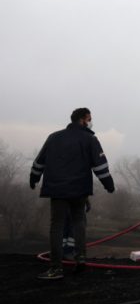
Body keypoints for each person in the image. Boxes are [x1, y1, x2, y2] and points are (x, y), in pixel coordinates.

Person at [30, 107, 115, 280]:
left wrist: (34, 177)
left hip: (57, 190)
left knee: (57, 226)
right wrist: (109, 184)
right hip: (79, 190)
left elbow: (40, 161)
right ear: (83, 119)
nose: (90, 122)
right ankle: (80, 259)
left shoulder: (54, 137)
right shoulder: (90, 139)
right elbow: (100, 165)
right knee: (79, 222)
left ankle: (56, 268)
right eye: (89, 119)